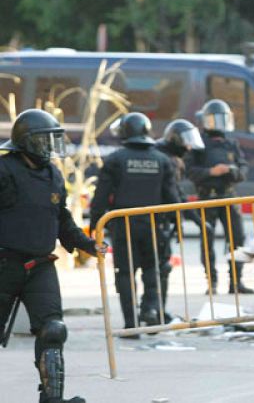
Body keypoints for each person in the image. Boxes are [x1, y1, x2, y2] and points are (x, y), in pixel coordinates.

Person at [0, 109, 103, 403]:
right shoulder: (4, 170)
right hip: (4, 263)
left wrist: (88, 245)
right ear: (26, 142)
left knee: (53, 330)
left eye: (52, 141)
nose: (49, 148)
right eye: (43, 141)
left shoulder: (52, 174)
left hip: (41, 265)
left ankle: (52, 398)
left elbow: (61, 218)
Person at [90, 112, 182, 334]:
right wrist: (176, 224)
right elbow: (172, 198)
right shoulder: (162, 160)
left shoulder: (115, 160)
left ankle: (131, 324)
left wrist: (95, 226)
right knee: (152, 269)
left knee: (125, 273)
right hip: (153, 226)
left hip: (123, 226)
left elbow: (101, 196)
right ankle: (151, 312)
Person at [185, 99, 254, 295]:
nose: (218, 123)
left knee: (238, 239)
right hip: (208, 197)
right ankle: (212, 282)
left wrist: (232, 171)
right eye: (214, 119)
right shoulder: (198, 143)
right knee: (207, 241)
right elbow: (190, 171)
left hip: (229, 197)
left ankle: (236, 281)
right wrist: (211, 172)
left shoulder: (231, 143)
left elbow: (243, 169)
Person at [154, 119, 209, 318]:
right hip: (155, 220)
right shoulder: (165, 158)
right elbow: (175, 195)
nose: (188, 147)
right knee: (158, 268)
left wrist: (195, 220)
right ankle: (154, 310)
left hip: (157, 219)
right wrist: (190, 220)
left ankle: (154, 310)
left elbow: (177, 195)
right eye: (185, 142)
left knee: (159, 268)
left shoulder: (165, 155)